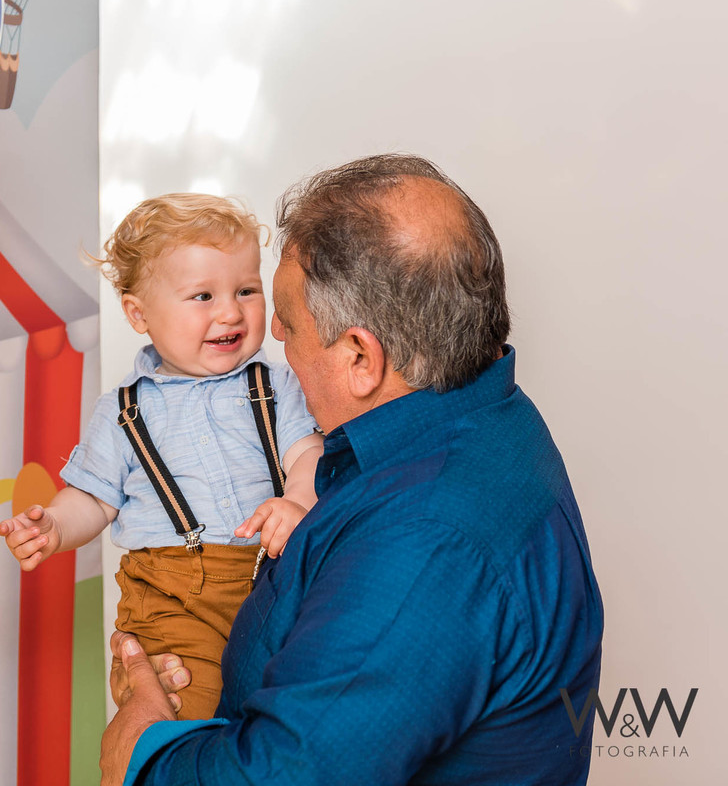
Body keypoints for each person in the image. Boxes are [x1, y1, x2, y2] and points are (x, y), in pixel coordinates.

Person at [101, 154, 604, 785]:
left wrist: (143, 750)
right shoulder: (480, 416)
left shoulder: (427, 541)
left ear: (361, 357)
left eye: (288, 320)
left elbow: (289, 774)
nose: (270, 331)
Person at [0, 193, 322, 720]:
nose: (230, 312)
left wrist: (299, 501)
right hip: (172, 599)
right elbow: (93, 499)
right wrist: (54, 525)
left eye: (246, 290)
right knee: (186, 708)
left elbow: (307, 451)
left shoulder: (276, 384)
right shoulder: (123, 410)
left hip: (273, 576)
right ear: (138, 313)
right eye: (202, 296)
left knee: (289, 706)